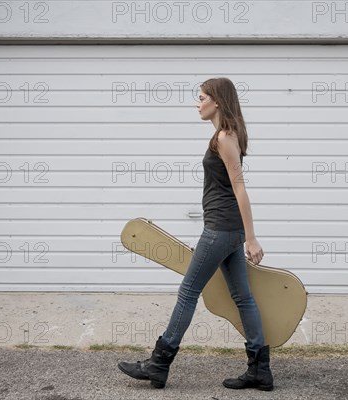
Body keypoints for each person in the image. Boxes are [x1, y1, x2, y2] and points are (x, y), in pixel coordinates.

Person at [117, 77, 273, 391]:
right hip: (227, 230)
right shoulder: (226, 135)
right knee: (242, 297)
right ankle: (260, 370)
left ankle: (159, 364)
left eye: (201, 97)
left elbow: (240, 187)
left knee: (188, 292)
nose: (197, 102)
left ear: (216, 101)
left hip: (220, 229)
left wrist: (252, 237)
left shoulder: (224, 137)